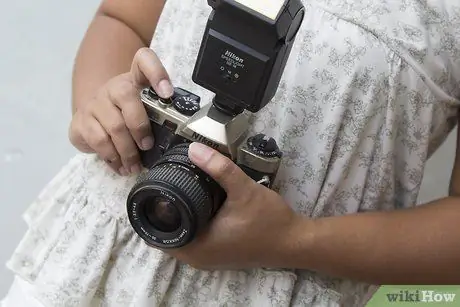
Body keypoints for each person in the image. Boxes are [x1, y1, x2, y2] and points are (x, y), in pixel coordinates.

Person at [2, 0, 460, 306]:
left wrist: (291, 241)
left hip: (282, 288)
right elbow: (122, 20)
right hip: (91, 259)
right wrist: (100, 110)